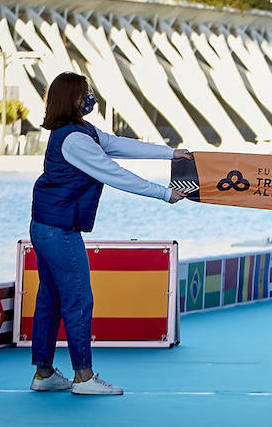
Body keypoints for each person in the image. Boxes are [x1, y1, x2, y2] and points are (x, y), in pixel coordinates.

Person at [28, 72, 191, 396]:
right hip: (59, 230)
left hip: (44, 225)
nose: (88, 99)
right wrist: (164, 193)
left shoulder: (80, 132)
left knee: (51, 299)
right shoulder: (75, 140)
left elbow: (119, 145)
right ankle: (84, 377)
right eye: (83, 94)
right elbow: (114, 173)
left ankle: (44, 373)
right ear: (70, 99)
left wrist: (170, 153)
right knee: (78, 299)